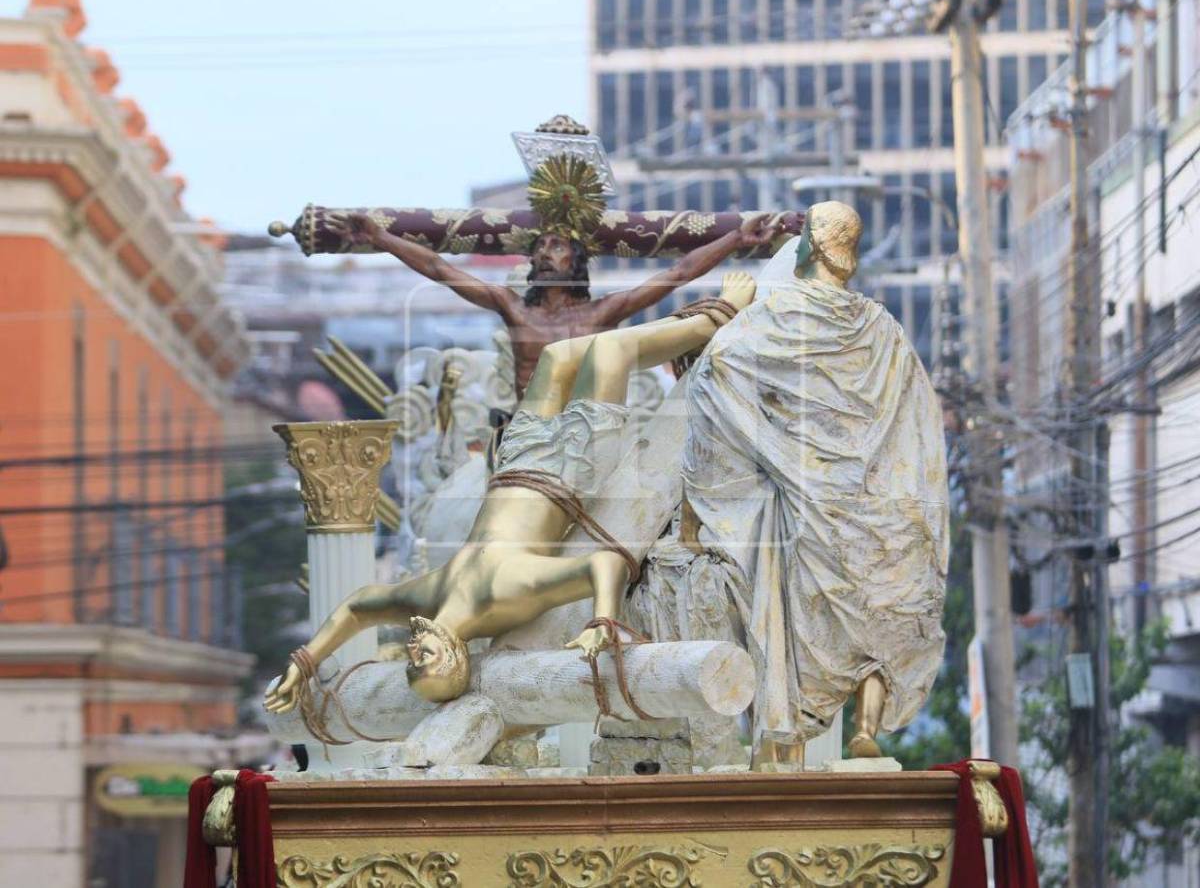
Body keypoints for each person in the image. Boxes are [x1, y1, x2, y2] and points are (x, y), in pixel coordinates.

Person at [264, 271, 760, 714]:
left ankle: (701, 325)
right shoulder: (503, 598)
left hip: (516, 464)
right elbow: (602, 564)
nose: (416, 658)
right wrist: (603, 619)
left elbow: (357, 606)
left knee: (556, 355)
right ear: (457, 655)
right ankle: (716, 319)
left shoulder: (430, 597)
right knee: (611, 351)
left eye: (413, 667)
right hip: (570, 470)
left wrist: (305, 663)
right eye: (428, 665)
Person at [679, 201, 949, 763]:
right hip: (876, 500)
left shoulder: (772, 315)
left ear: (806, 249)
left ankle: (790, 742)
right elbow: (916, 417)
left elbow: (715, 370)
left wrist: (757, 449)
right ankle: (865, 726)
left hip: (809, 495)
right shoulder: (881, 326)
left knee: (803, 616)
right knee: (885, 607)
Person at [328, 212, 779, 398]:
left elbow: (677, 274)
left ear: (576, 262)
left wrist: (737, 238)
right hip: (528, 433)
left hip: (593, 431)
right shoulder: (513, 307)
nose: (546, 253)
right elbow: (441, 271)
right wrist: (381, 237)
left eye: (558, 247)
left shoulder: (602, 313)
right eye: (540, 247)